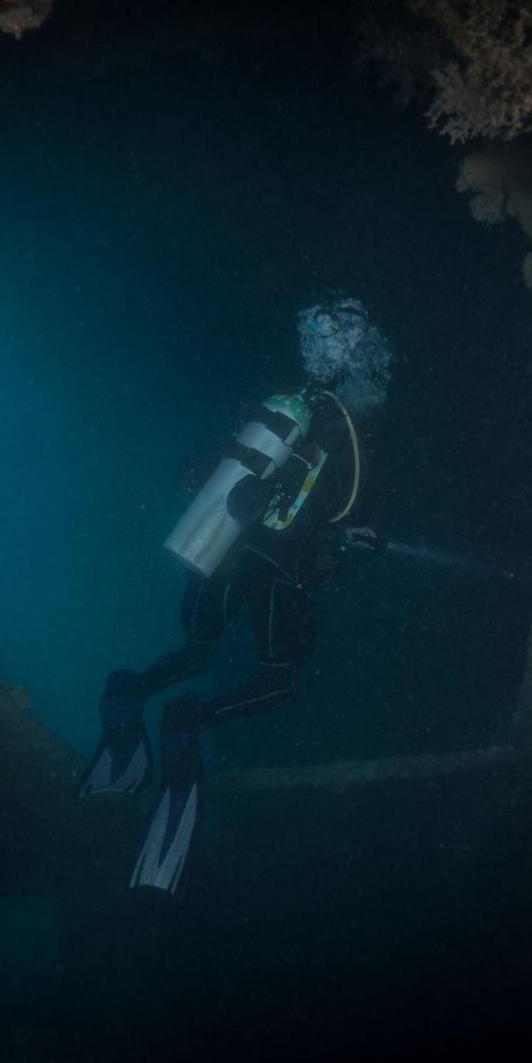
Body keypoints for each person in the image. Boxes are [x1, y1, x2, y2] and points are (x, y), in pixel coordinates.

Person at [79, 297, 393, 895]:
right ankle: (188, 723)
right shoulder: (352, 434)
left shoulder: (286, 408)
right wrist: (361, 537)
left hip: (219, 550)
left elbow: (224, 474)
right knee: (280, 679)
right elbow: (345, 512)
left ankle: (130, 692)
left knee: (197, 650)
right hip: (277, 569)